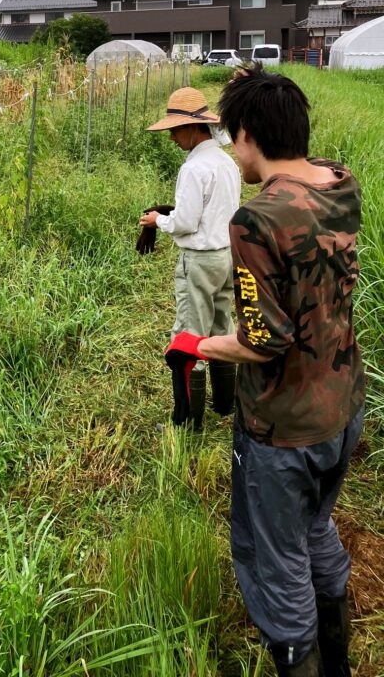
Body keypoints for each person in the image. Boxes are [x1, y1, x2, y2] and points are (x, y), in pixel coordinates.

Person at [165, 67, 365, 676]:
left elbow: (263, 342)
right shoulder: (339, 183)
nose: (233, 148)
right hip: (343, 405)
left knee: (274, 560)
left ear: (249, 133)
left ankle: (297, 655)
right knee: (316, 527)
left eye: (236, 135)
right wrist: (257, 89)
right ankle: (338, 658)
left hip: (284, 428)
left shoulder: (257, 220)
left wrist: (197, 344)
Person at [140, 86, 241, 428]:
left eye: (175, 130)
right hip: (226, 256)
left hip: (198, 261)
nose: (172, 138)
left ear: (194, 128)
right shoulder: (227, 163)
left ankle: (187, 421)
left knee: (189, 336)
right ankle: (225, 404)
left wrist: (158, 220)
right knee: (221, 328)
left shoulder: (194, 168)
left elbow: (185, 222)